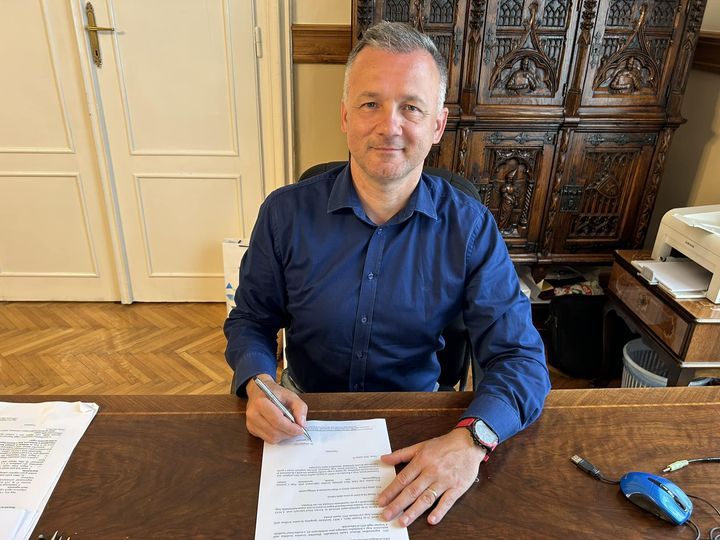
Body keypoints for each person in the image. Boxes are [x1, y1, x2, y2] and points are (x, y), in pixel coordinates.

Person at [224, 21, 550, 528]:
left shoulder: (470, 228)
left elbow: (520, 357)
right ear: (345, 116)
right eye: (370, 103)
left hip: (423, 425)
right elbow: (251, 319)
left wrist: (473, 439)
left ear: (437, 125)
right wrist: (259, 382)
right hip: (303, 418)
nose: (389, 126)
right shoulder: (284, 214)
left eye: (411, 107)